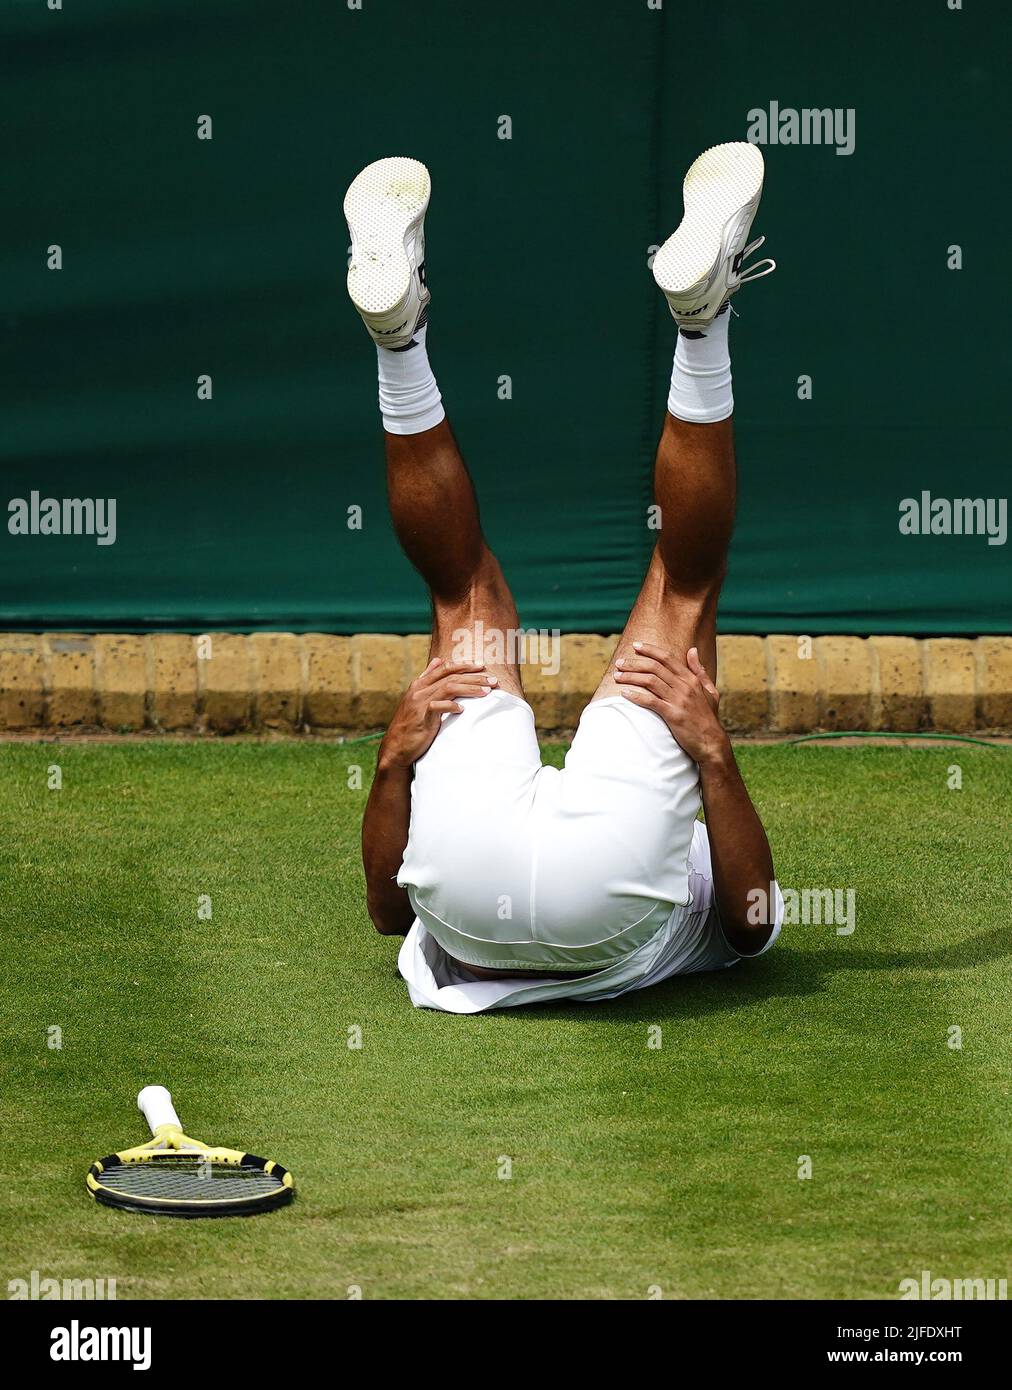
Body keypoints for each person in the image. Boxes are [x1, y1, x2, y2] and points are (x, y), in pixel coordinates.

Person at [351, 143, 784, 1013]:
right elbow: (747, 928)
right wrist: (713, 756)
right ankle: (701, 317)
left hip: (486, 888)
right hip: (506, 902)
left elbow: (392, 917)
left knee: (650, 585)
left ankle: (402, 338)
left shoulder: (666, 850)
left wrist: (399, 765)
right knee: (482, 597)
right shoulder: (683, 870)